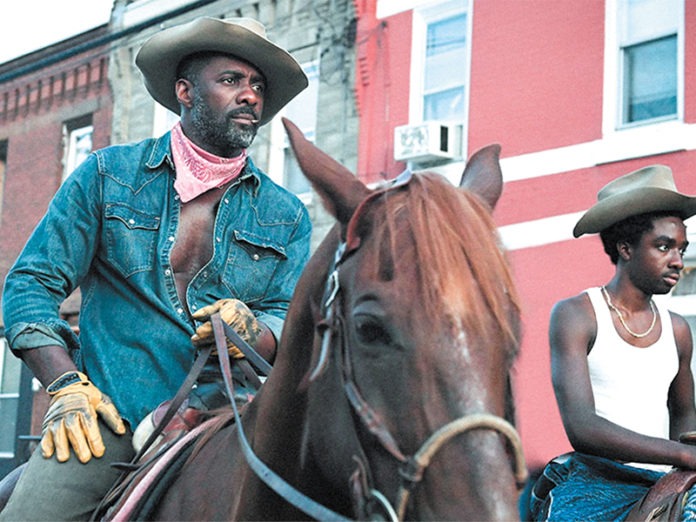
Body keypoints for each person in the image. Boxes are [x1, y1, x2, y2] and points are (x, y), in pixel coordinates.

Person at [0, 17, 311, 521]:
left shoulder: (287, 213)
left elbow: (285, 317)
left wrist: (254, 329)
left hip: (231, 418)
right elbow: (31, 284)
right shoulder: (106, 175)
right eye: (231, 80)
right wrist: (64, 386)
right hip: (111, 416)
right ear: (185, 91)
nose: (251, 95)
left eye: (257, 85)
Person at [529, 165, 696, 520]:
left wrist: (685, 460)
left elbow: (684, 415)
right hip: (596, 482)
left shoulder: (678, 329)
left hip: (665, 482)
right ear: (626, 249)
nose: (678, 261)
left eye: (682, 248)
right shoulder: (577, 315)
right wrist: (680, 455)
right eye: (664, 247)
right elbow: (582, 427)